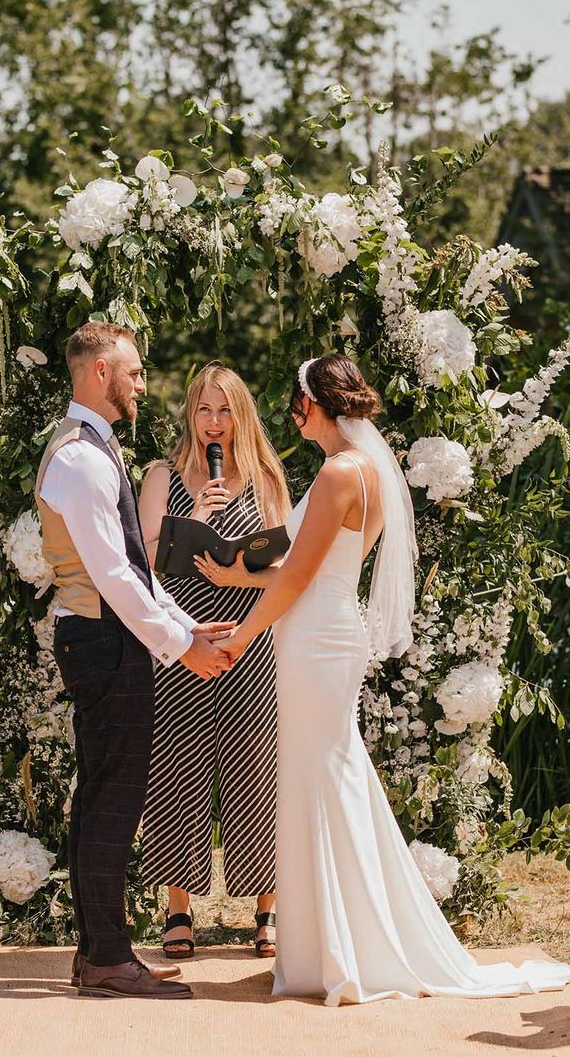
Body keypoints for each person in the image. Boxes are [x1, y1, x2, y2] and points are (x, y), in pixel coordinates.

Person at [216, 353, 570, 1005]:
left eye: (297, 406)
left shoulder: (336, 472)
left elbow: (296, 577)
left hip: (315, 640)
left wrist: (239, 633)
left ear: (314, 405)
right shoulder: (371, 470)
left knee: (323, 776)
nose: (294, 418)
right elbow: (300, 564)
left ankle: (345, 948)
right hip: (327, 632)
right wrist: (226, 571)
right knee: (325, 774)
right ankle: (338, 942)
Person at [35, 323, 234, 1000]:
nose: (143, 384)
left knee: (100, 799)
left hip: (102, 636)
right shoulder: (82, 457)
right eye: (134, 371)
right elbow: (116, 577)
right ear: (98, 373)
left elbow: (133, 569)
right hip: (101, 640)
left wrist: (185, 623)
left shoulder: (91, 447)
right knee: (112, 802)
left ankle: (98, 954)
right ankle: (110, 959)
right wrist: (182, 647)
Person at [139, 363, 291, 959]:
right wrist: (197, 517)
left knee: (256, 772)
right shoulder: (161, 476)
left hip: (251, 644)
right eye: (204, 409)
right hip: (184, 644)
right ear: (190, 415)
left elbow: (289, 566)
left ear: (241, 416)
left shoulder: (267, 480)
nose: (214, 422)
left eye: (225, 411)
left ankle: (266, 911)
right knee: (178, 772)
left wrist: (241, 570)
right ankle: (179, 912)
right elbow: (143, 563)